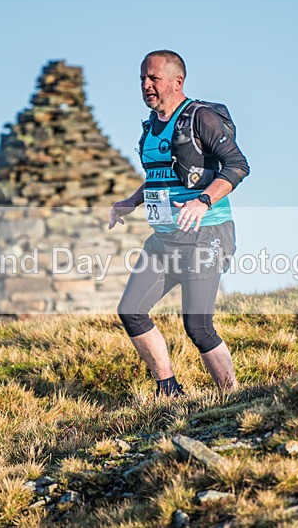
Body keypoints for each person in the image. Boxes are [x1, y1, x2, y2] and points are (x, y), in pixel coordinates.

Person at [109, 50, 250, 397]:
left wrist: (203, 202)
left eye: (153, 78)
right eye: (142, 78)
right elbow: (160, 178)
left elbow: (237, 166)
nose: (146, 85)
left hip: (208, 233)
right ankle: (169, 388)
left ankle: (232, 398)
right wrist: (131, 201)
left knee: (198, 325)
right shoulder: (150, 127)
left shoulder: (200, 117)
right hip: (165, 239)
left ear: (176, 82)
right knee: (131, 311)